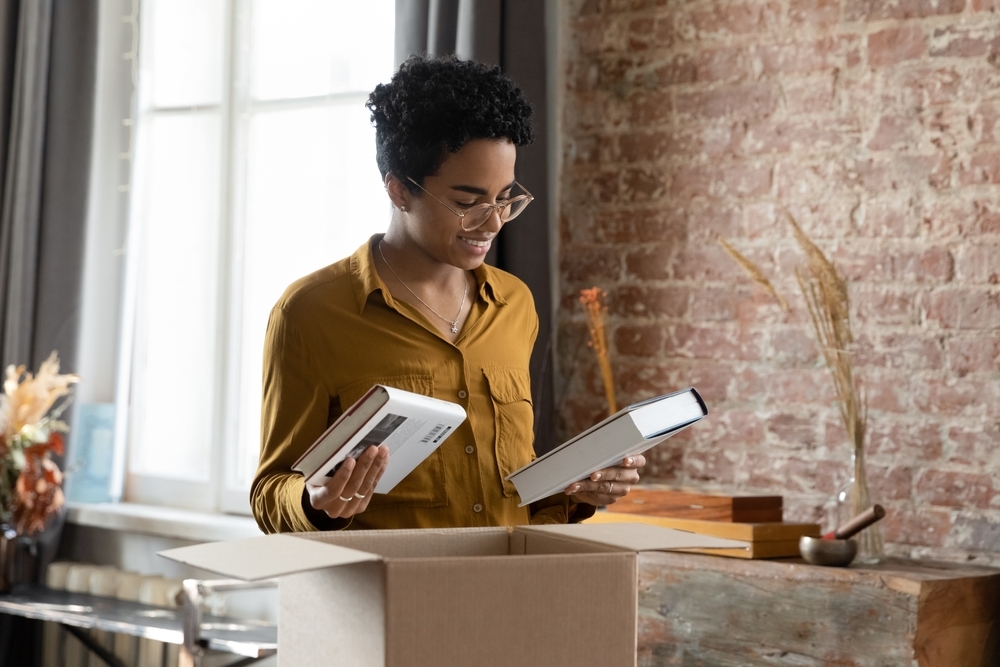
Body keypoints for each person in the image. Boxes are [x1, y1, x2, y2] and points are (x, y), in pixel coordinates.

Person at [251, 55, 646, 534]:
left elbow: (514, 498)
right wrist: (315, 501)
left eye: (505, 198)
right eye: (467, 203)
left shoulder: (514, 305)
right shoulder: (311, 313)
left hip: (511, 593)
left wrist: (575, 491)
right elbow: (271, 493)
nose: (494, 222)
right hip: (389, 596)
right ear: (398, 190)